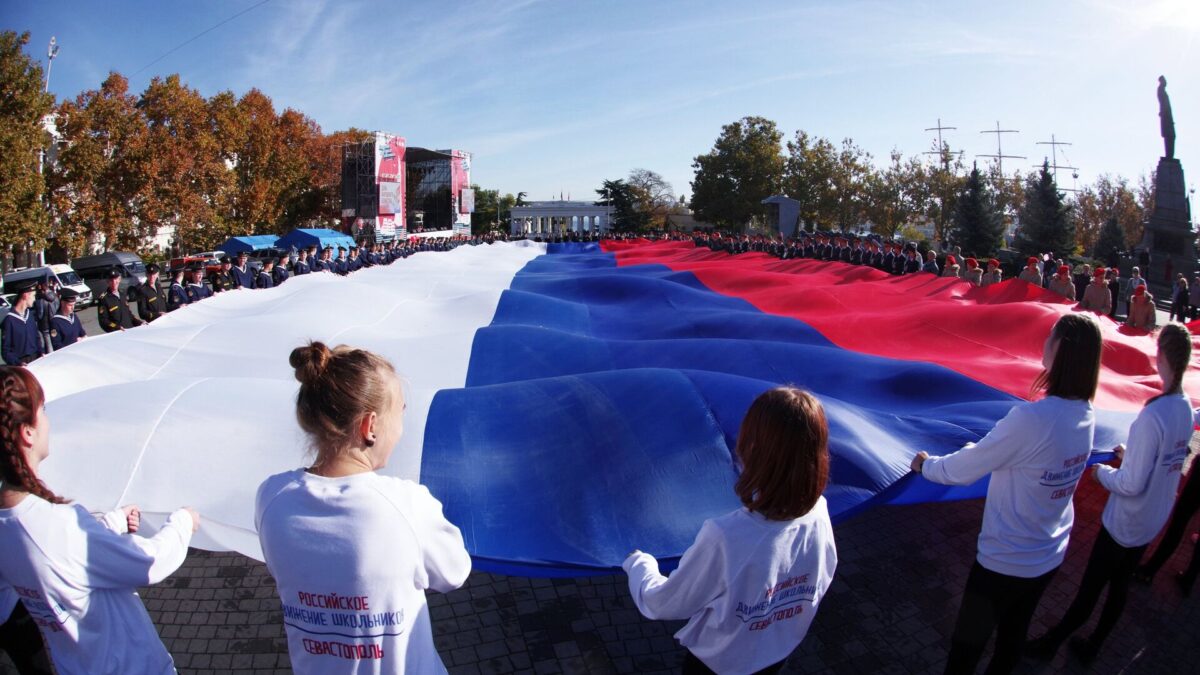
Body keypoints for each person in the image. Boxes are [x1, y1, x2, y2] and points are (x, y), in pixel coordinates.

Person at [256, 342, 471, 674]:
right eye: (400, 411)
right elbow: (454, 572)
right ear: (370, 427)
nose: (401, 428)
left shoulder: (271, 497)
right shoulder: (407, 505)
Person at [911, 313, 1101, 675]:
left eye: (1051, 337)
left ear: (1062, 350)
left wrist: (927, 465)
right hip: (1047, 553)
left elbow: (963, 471)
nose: (1045, 342)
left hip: (1004, 560)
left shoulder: (1032, 419)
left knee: (966, 649)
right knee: (1012, 640)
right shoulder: (1086, 413)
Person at [0, 366, 200, 674]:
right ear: (27, 432)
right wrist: (183, 523)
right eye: (43, 410)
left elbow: (68, 562)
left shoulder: (13, 523)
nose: (48, 421)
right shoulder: (57, 525)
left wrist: (113, 522)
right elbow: (149, 562)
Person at [624, 387, 837, 674]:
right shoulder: (819, 514)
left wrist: (639, 564)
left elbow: (662, 603)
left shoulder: (726, 536)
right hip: (774, 658)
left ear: (753, 450)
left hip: (719, 667)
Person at [1027, 323, 1193, 664]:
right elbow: (1165, 459)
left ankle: (1050, 643)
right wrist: (1130, 456)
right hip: (1152, 519)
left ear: (1160, 355)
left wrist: (1104, 473)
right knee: (1119, 588)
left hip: (1126, 522)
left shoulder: (1154, 413)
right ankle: (1095, 646)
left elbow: (1131, 484)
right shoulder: (1184, 407)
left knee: (1090, 589)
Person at [1, 278, 45, 366]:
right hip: (21, 365)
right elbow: (6, 351)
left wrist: (41, 352)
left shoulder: (30, 316)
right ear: (25, 296)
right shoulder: (9, 320)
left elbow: (37, 338)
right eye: (33, 296)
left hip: (36, 360)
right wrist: (18, 363)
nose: (34, 299)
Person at [97, 268, 143, 333]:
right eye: (111, 280)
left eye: (116, 279)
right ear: (107, 281)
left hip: (130, 331)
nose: (114, 282)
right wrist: (116, 327)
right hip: (117, 334)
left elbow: (129, 315)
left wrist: (139, 323)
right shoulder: (104, 299)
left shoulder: (122, 295)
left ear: (119, 279)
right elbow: (103, 321)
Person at [32, 279, 57, 355]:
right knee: (52, 342)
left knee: (49, 343)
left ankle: (51, 356)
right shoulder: (52, 297)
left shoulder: (42, 299)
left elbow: (40, 315)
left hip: (47, 325)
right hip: (50, 324)